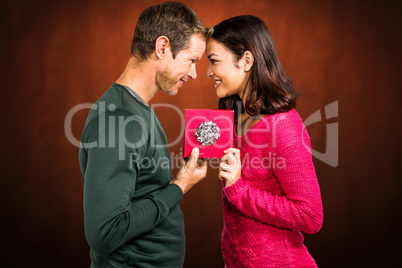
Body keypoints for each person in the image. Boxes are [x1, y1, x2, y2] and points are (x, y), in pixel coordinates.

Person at [78, 2, 208, 267]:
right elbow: (104, 234)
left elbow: (140, 193)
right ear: (162, 48)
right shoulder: (118, 120)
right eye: (191, 60)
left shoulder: (138, 109)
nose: (195, 73)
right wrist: (180, 186)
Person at [206, 15, 323, 267]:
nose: (208, 72)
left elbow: (310, 216)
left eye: (214, 61)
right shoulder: (235, 120)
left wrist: (239, 188)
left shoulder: (283, 125)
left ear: (246, 60)